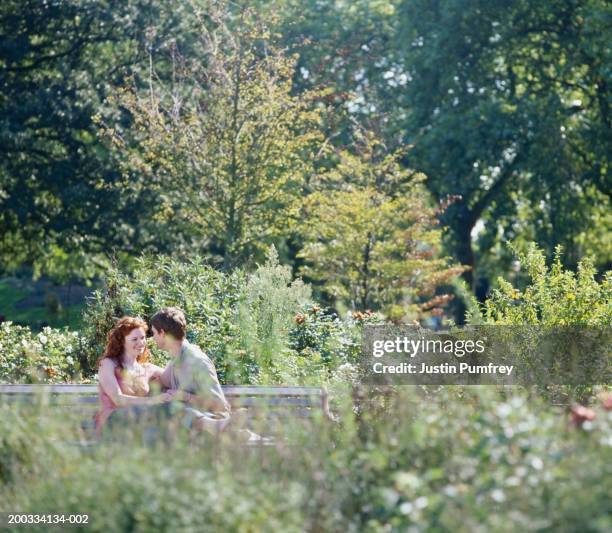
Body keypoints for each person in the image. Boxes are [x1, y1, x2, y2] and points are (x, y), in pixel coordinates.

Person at [150, 307, 232, 435]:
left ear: (162, 333)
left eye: (154, 333)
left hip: (212, 423)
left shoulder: (197, 361)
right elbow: (161, 380)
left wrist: (185, 397)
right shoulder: (176, 358)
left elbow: (220, 406)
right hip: (187, 427)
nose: (153, 338)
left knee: (168, 410)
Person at [95, 316, 173, 437]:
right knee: (157, 414)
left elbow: (174, 375)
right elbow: (118, 399)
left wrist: (188, 354)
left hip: (139, 426)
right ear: (122, 341)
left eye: (142, 338)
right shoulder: (108, 364)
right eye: (134, 339)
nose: (140, 343)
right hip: (112, 423)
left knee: (170, 411)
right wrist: (152, 401)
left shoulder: (147, 369)